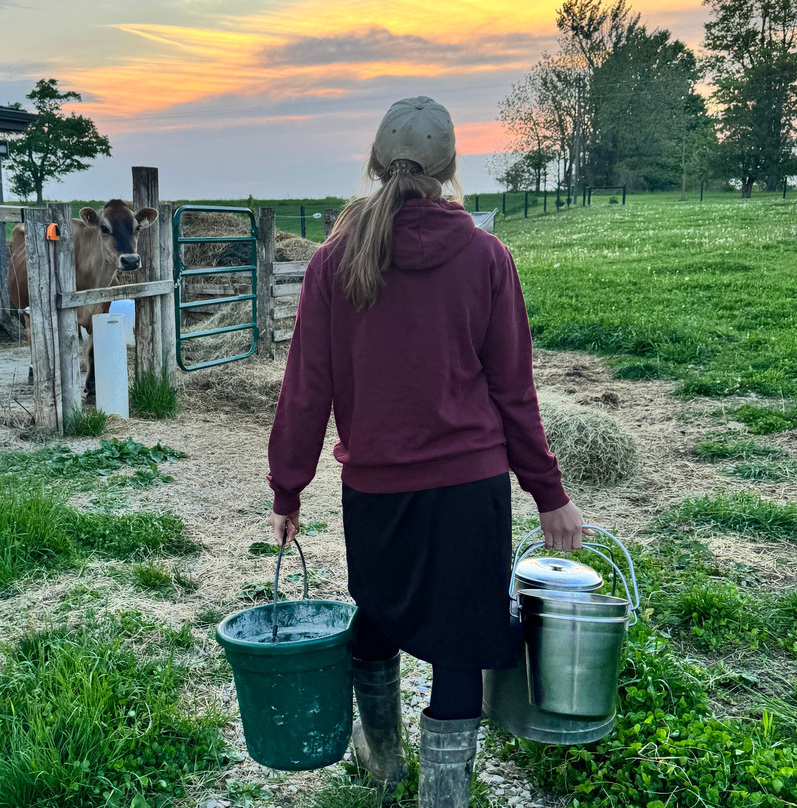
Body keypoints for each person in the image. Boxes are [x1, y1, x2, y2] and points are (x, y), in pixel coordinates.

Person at [266, 97, 591, 807]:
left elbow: (304, 391)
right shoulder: (484, 255)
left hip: (377, 490)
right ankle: (441, 798)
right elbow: (515, 392)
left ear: (377, 163)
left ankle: (383, 770)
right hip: (470, 486)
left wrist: (287, 489)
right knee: (460, 639)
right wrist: (549, 493)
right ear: (449, 169)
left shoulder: (333, 260)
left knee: (376, 616)